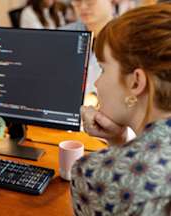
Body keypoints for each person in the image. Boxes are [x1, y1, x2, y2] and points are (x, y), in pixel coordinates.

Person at [72, 4, 171, 215]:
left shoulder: (94, 174)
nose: (97, 83)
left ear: (136, 82)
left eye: (103, 68)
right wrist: (118, 140)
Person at [61, 0, 114, 104]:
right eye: (77, 1)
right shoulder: (62, 36)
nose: (83, 6)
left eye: (90, 1)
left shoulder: (128, 39)